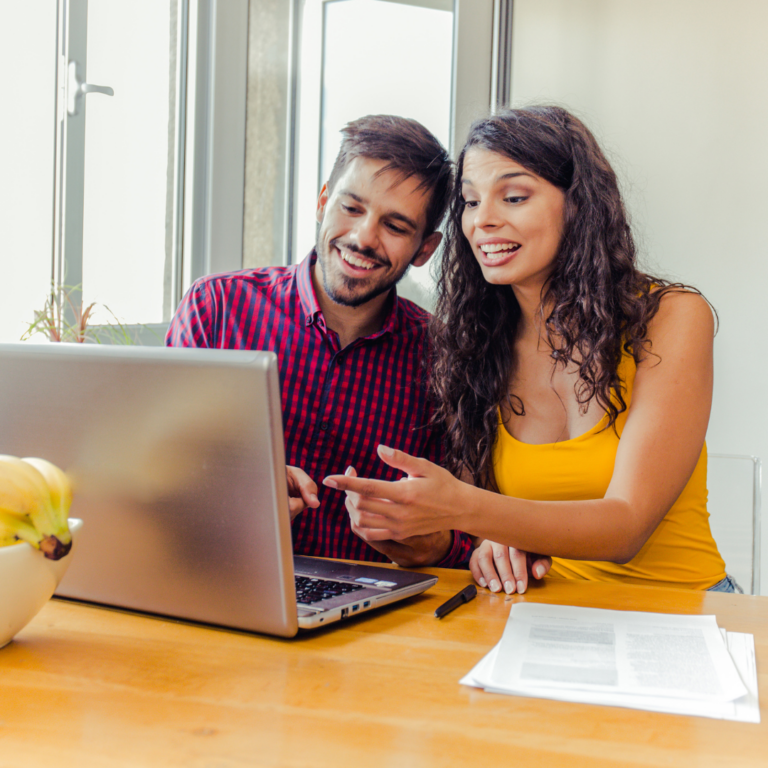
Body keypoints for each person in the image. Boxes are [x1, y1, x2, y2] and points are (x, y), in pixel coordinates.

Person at [325, 105, 735, 594]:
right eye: (471, 203)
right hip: (546, 612)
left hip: (683, 616)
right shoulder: (473, 346)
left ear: (579, 205)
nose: (483, 222)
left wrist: (465, 508)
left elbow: (627, 526)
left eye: (513, 197)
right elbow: (506, 524)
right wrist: (487, 544)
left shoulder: (672, 317)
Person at [166, 114, 473, 568]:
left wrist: (441, 546)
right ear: (323, 202)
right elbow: (156, 476)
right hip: (222, 585)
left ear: (425, 250)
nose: (363, 238)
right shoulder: (216, 309)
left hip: (378, 618)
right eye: (351, 208)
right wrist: (234, 491)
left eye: (395, 226)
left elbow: (470, 533)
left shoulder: (445, 358)